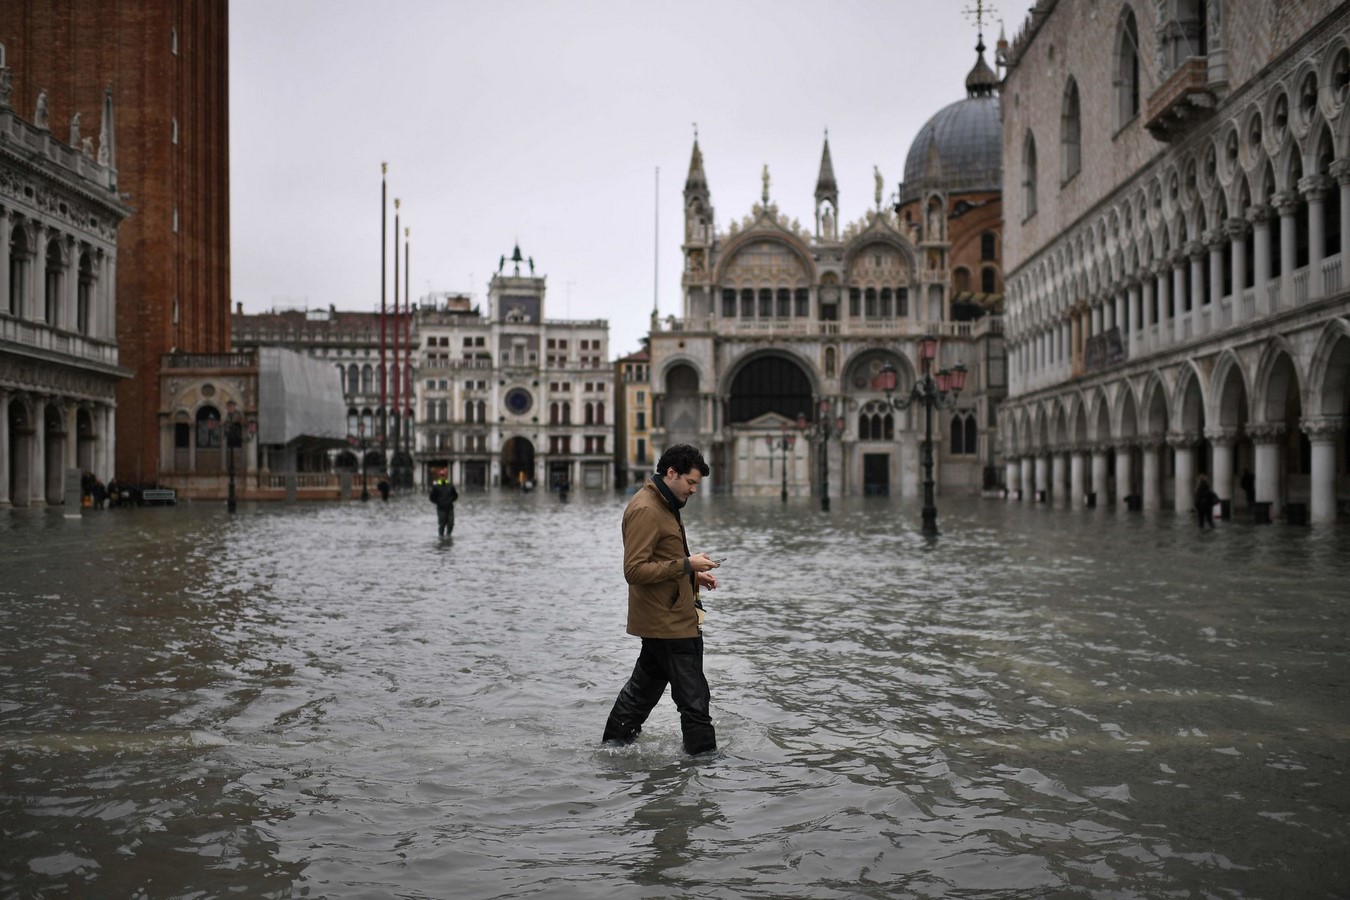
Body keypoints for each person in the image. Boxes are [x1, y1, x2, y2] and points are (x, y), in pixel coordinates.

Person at [602, 444, 720, 755]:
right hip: (669, 623)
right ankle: (705, 767)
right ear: (671, 473)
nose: (694, 489)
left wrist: (693, 576)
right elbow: (635, 570)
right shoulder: (646, 509)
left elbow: (661, 559)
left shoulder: (664, 503)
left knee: (641, 693)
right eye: (691, 482)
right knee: (694, 700)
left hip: (670, 617)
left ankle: (612, 750)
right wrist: (687, 565)